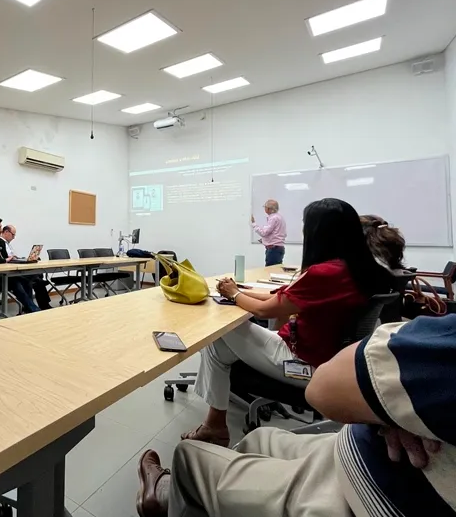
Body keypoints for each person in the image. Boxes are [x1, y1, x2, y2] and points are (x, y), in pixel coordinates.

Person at [136, 312, 456, 517]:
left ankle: (166, 492)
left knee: (188, 455)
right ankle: (225, 485)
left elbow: (270, 310)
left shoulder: (327, 272)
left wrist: (233, 293)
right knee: (260, 437)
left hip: (370, 495)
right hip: (378, 459)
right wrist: (399, 410)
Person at [182, 198, 394, 447]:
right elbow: (280, 299)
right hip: (329, 357)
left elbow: (263, 311)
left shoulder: (325, 274)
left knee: (218, 332)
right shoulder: (357, 268)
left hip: (305, 363)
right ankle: (214, 425)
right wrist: (239, 290)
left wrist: (233, 294)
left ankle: (215, 427)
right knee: (219, 347)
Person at [0, 216, 39, 313]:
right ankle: (33, 309)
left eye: (1, 227)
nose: (1, 230)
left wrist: (14, 260)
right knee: (15, 282)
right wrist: (4, 260)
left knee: (26, 280)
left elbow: (6, 259)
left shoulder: (0, 242)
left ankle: (29, 309)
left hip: (3, 275)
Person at [0, 224, 52, 310]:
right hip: (8, 272)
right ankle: (40, 306)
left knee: (36, 275)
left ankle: (42, 305)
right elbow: (4, 259)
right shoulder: (0, 243)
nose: (14, 237)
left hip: (14, 268)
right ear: (6, 232)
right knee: (36, 277)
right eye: (13, 235)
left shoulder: (7, 244)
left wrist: (19, 258)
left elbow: (11, 257)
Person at [252, 199, 287, 266]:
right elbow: (277, 233)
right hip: (278, 249)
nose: (264, 208)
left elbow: (264, 233)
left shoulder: (273, 218)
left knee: (270, 272)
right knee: (275, 271)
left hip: (274, 250)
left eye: (265, 207)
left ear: (268, 209)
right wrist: (265, 240)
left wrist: (254, 224)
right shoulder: (280, 217)